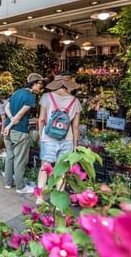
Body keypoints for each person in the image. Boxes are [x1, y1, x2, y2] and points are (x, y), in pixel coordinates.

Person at [36, 73, 81, 205]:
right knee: (62, 170)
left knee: (45, 167)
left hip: (48, 138)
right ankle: (57, 200)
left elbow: (41, 119)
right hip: (67, 139)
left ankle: (39, 198)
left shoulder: (46, 97)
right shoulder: (75, 101)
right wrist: (75, 145)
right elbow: (76, 126)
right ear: (68, 84)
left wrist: (40, 135)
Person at [3, 73, 46, 194]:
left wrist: (10, 120)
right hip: (19, 130)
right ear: (34, 83)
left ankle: (7, 183)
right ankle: (20, 186)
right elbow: (21, 113)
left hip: (9, 129)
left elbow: (6, 107)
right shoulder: (30, 96)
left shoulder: (17, 92)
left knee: (10, 156)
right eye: (40, 83)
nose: (41, 86)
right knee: (20, 160)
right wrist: (13, 123)